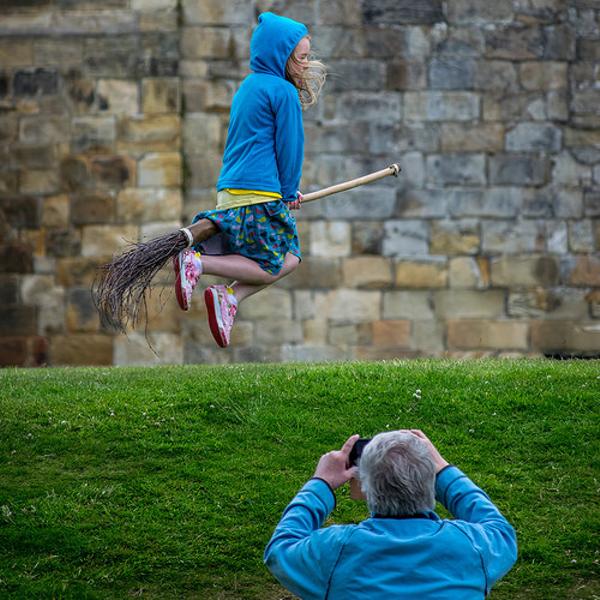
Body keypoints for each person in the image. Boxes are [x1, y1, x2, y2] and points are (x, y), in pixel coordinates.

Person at [172, 12, 326, 348]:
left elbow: (249, 142)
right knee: (276, 264)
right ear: (279, 57)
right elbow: (289, 149)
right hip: (260, 193)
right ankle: (198, 262)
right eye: (301, 58)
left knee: (290, 254)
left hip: (231, 192)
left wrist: (285, 191)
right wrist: (287, 191)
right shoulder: (283, 92)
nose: (306, 64)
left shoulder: (248, 87)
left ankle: (229, 297)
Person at [264, 430, 518, 599]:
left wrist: (321, 483)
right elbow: (500, 529)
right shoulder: (474, 547)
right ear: (431, 481)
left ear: (365, 486)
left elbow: (280, 550)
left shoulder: (337, 551)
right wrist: (444, 471)